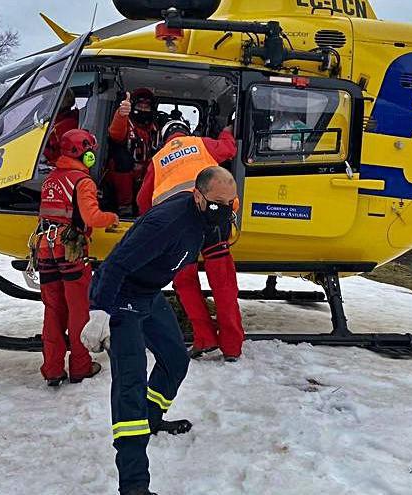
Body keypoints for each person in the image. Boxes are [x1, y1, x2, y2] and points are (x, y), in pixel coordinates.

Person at [81, 167, 238, 495]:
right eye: (217, 205)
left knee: (175, 361)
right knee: (131, 385)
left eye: (231, 204)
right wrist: (98, 313)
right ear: (198, 196)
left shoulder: (211, 217)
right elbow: (115, 266)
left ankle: (151, 420)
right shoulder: (165, 223)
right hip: (121, 296)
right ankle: (134, 485)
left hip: (149, 295)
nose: (224, 212)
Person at [137, 120, 244, 362]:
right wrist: (227, 130)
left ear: (163, 138)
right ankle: (232, 347)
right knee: (223, 284)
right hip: (214, 219)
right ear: (186, 131)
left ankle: (204, 338)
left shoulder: (157, 159)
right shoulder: (201, 144)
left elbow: (144, 202)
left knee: (185, 283)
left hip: (178, 226)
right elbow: (229, 149)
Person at [38, 129, 119, 386]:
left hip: (45, 249)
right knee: (78, 310)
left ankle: (52, 369)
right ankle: (80, 367)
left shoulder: (50, 179)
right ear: (85, 154)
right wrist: (112, 218)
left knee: (52, 311)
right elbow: (92, 218)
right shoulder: (82, 182)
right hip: (70, 251)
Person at [107, 88, 159, 216]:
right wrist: (121, 114)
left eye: (146, 107)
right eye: (139, 106)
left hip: (146, 175)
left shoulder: (156, 129)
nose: (143, 110)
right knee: (122, 159)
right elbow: (115, 134)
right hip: (124, 176)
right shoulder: (126, 122)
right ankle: (125, 209)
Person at [43, 89, 80, 163]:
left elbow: (58, 155)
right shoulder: (68, 118)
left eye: (50, 101)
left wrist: (42, 149)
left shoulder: (65, 125)